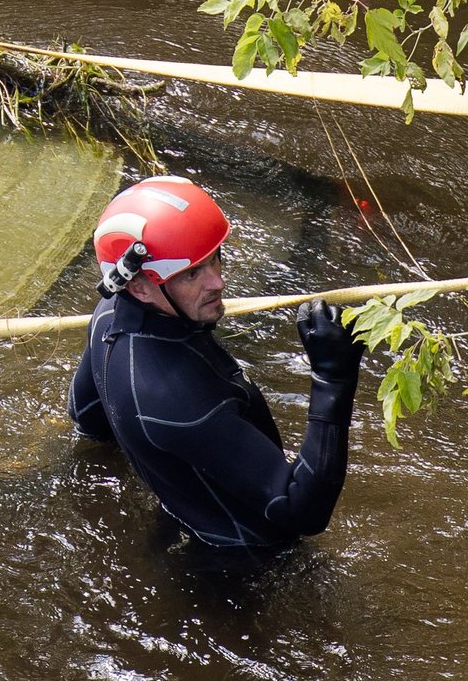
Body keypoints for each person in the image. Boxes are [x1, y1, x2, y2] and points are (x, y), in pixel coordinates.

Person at [67, 176, 365, 547]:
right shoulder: (179, 401)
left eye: (214, 260)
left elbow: (88, 415)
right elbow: (302, 511)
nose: (218, 283)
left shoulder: (107, 314)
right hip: (245, 567)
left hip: (192, 520)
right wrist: (332, 378)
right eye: (192, 273)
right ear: (140, 285)